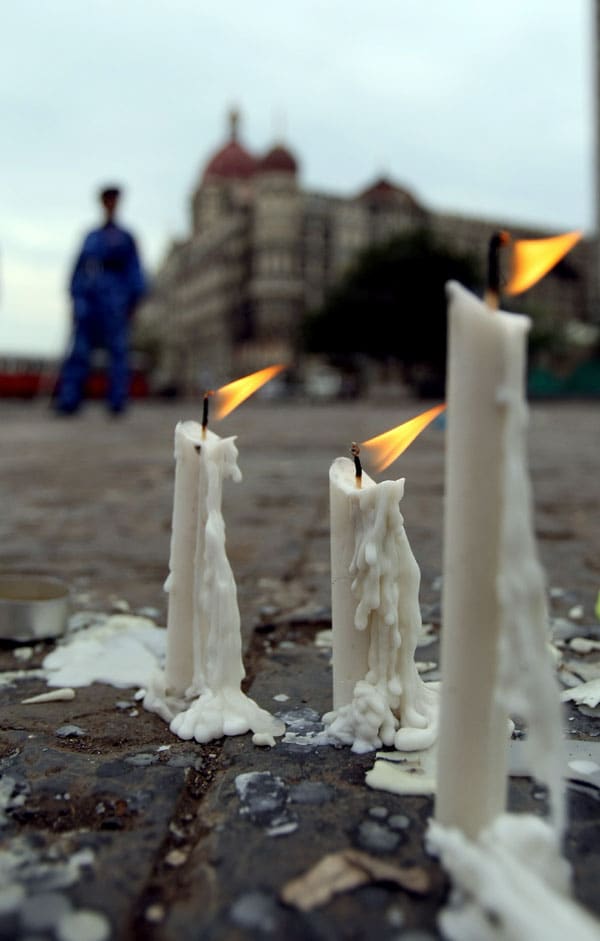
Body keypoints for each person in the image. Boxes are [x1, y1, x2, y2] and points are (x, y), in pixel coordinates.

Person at [55, 185, 146, 415]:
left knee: (118, 351)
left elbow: (135, 271)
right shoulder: (91, 236)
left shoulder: (126, 237)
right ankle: (70, 399)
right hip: (90, 297)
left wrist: (133, 300)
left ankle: (117, 401)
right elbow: (78, 269)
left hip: (115, 299)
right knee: (79, 350)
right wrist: (75, 297)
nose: (110, 205)